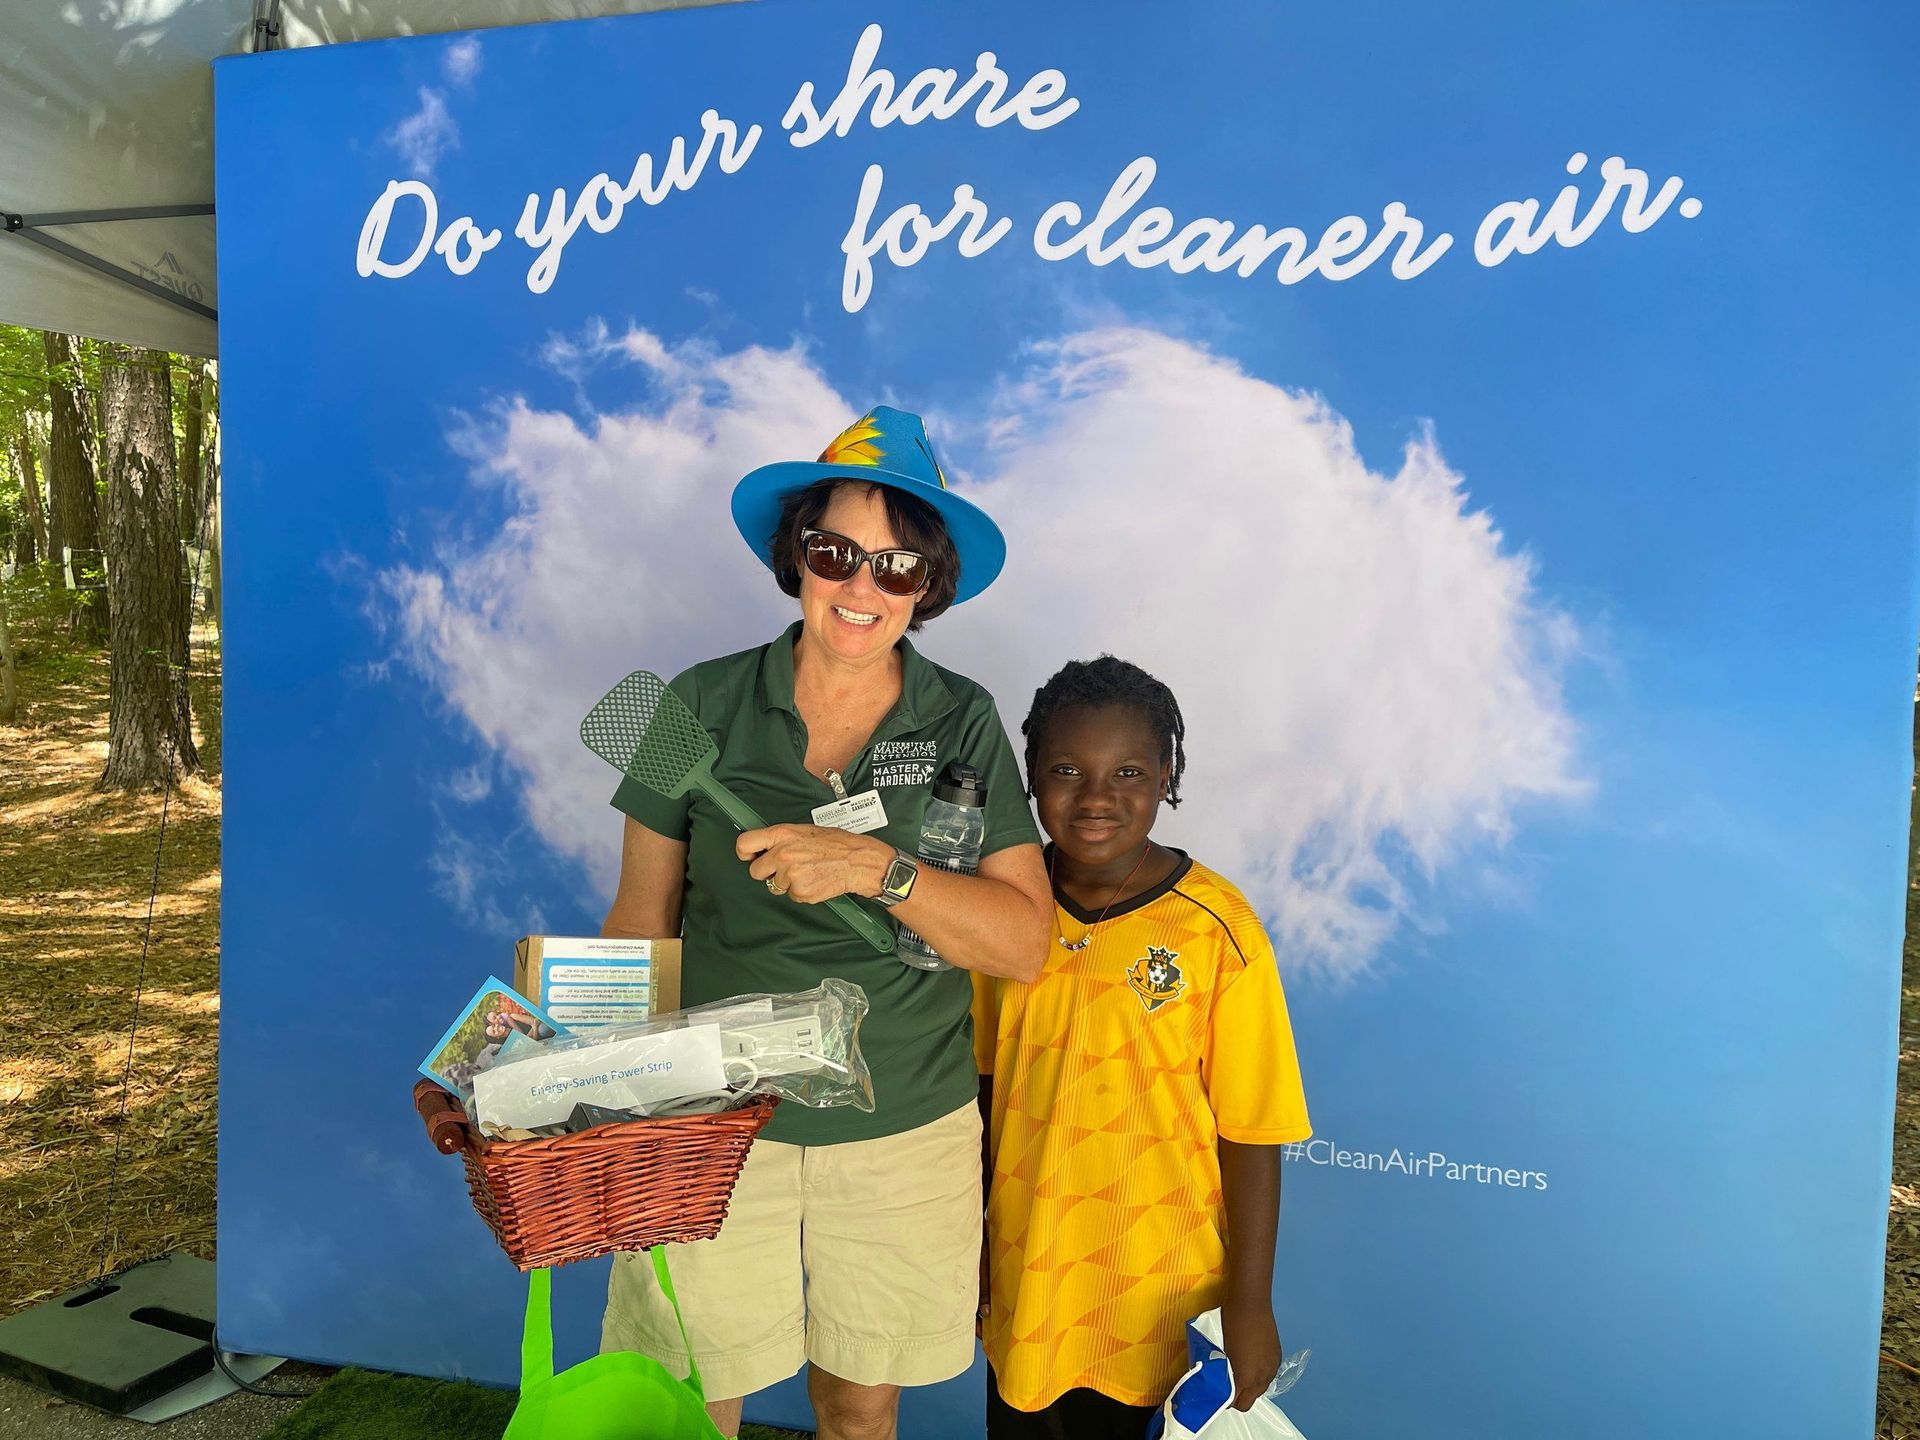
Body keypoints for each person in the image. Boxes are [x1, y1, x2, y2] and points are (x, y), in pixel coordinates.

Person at [598, 406, 1052, 1440]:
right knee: (691, 1400)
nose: (862, 588)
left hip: (902, 1121)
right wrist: (574, 1078)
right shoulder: (693, 706)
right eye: (836, 552)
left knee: (858, 1404)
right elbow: (640, 919)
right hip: (712, 1119)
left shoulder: (961, 717)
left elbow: (1023, 943)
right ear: (793, 554)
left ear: (928, 586)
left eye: (897, 567)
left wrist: (878, 868)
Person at [974, 656, 1312, 1438]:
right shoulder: (1000, 908)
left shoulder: (1217, 928)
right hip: (1031, 1278)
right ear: (1030, 775)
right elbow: (986, 1091)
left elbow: (1253, 1130)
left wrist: (1250, 1304)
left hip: (1159, 1295)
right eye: (1066, 769)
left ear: (1167, 775)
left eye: (1128, 771)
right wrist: (977, 1249)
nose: (1096, 797)